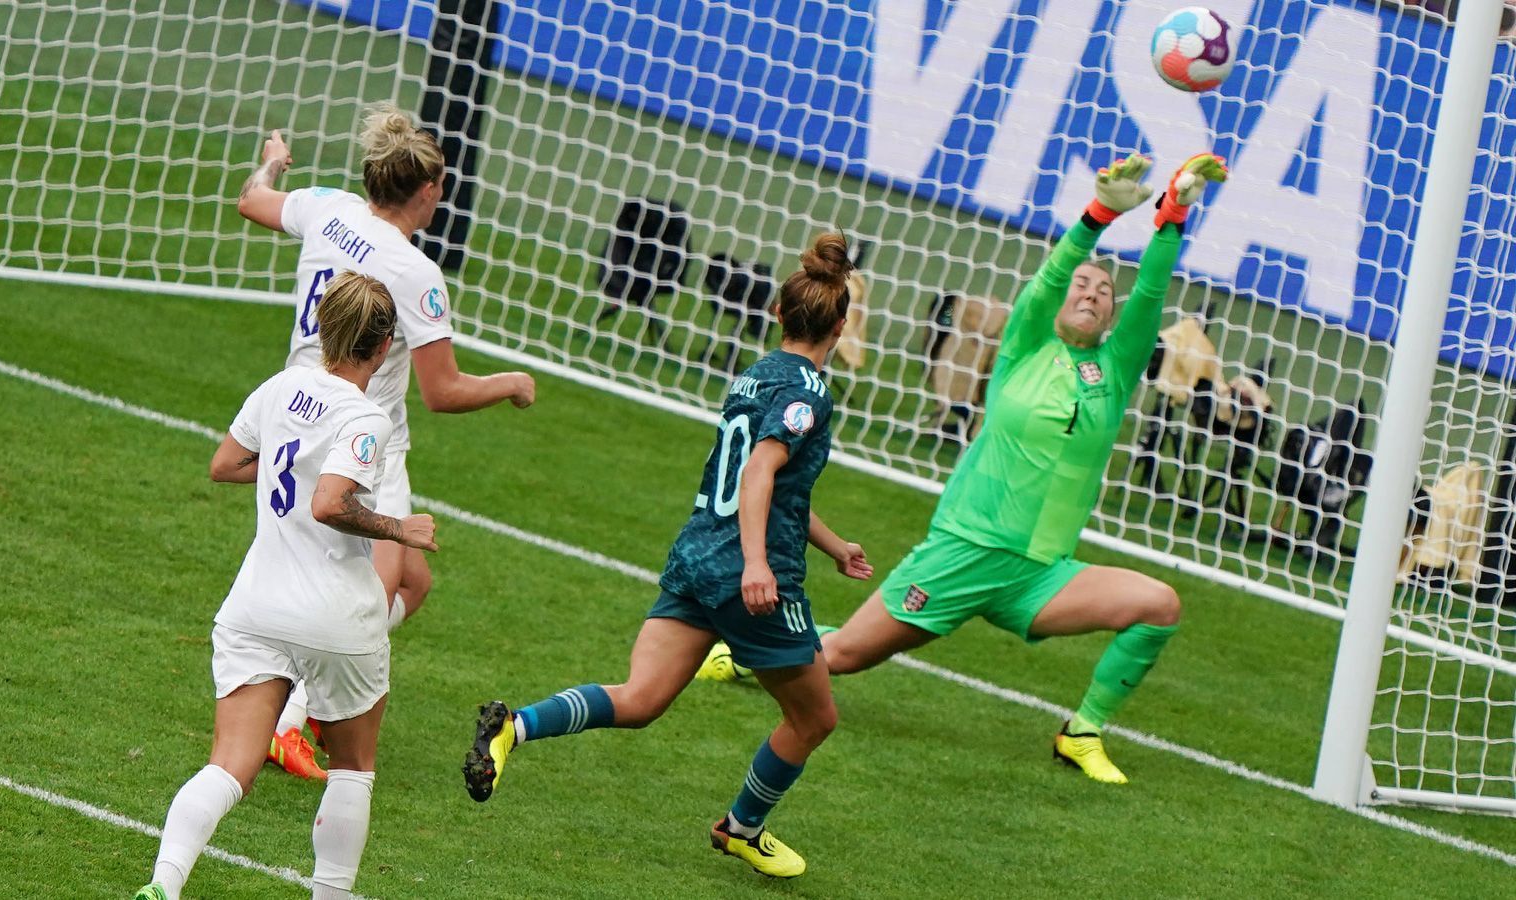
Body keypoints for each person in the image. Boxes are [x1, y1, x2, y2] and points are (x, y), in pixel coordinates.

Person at [700, 154, 1229, 785]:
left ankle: (1081, 732)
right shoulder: (1027, 348)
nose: (1091, 292)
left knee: (1159, 605)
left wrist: (1172, 217)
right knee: (840, 655)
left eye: (1103, 291)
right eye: (1081, 286)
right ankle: (737, 653)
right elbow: (1045, 283)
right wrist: (1098, 217)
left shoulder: (1114, 372)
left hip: (1040, 575)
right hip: (965, 550)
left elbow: (1150, 295)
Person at [460, 234, 873, 879]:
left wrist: (834, 543)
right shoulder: (811, 390)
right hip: (749, 575)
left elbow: (768, 483)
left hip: (697, 556)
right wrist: (761, 566)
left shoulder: (753, 376)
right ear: (840, 325)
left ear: (776, 316)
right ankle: (742, 828)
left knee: (642, 698)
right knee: (814, 716)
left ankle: (516, 725)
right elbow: (760, 473)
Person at [237, 105, 536, 778]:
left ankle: (304, 700)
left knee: (413, 585)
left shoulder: (328, 209)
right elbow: (443, 391)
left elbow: (252, 200)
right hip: (363, 437)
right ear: (425, 192)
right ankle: (286, 719)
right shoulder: (413, 272)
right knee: (370, 589)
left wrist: (275, 161)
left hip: (295, 410)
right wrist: (513, 382)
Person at [133, 272, 439, 900]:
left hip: (255, 606)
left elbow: (225, 465)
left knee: (229, 764)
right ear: (383, 349)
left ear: (323, 327)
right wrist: (396, 528)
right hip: (337, 618)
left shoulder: (278, 388)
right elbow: (330, 503)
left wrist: (288, 470)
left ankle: (163, 885)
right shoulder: (367, 417)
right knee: (353, 770)